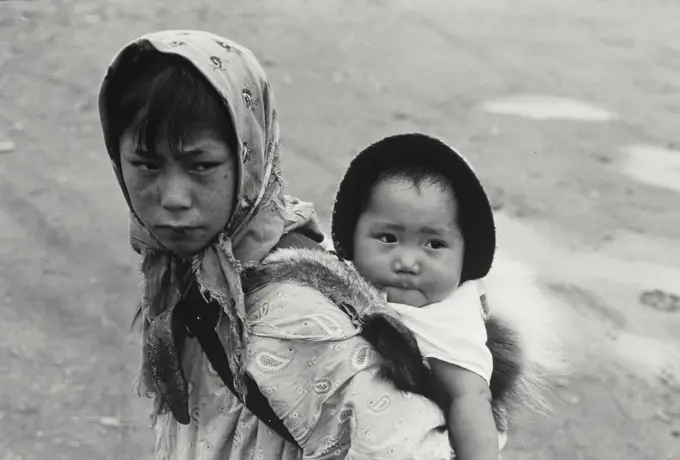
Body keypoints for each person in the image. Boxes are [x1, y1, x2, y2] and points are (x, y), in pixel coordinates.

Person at [99, 30, 566, 459]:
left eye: (201, 165)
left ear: (250, 155)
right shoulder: (188, 270)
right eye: (145, 165)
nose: (173, 199)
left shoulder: (295, 317)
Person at [331, 134, 501, 459]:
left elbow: (472, 400)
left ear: (465, 255)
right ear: (353, 236)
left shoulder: (450, 322)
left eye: (434, 244)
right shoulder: (335, 275)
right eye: (387, 238)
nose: (407, 263)